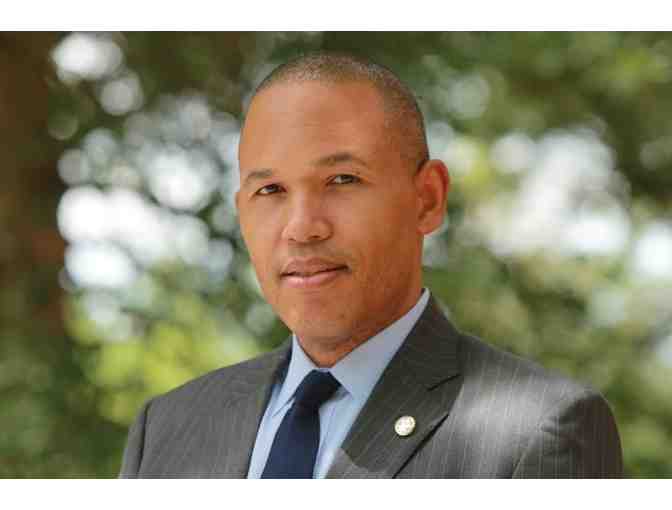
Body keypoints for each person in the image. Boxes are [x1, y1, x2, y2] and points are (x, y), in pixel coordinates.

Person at [119, 52, 623, 478]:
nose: (302, 227)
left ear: (427, 199)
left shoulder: (540, 432)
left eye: (342, 180)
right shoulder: (167, 428)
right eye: (270, 190)